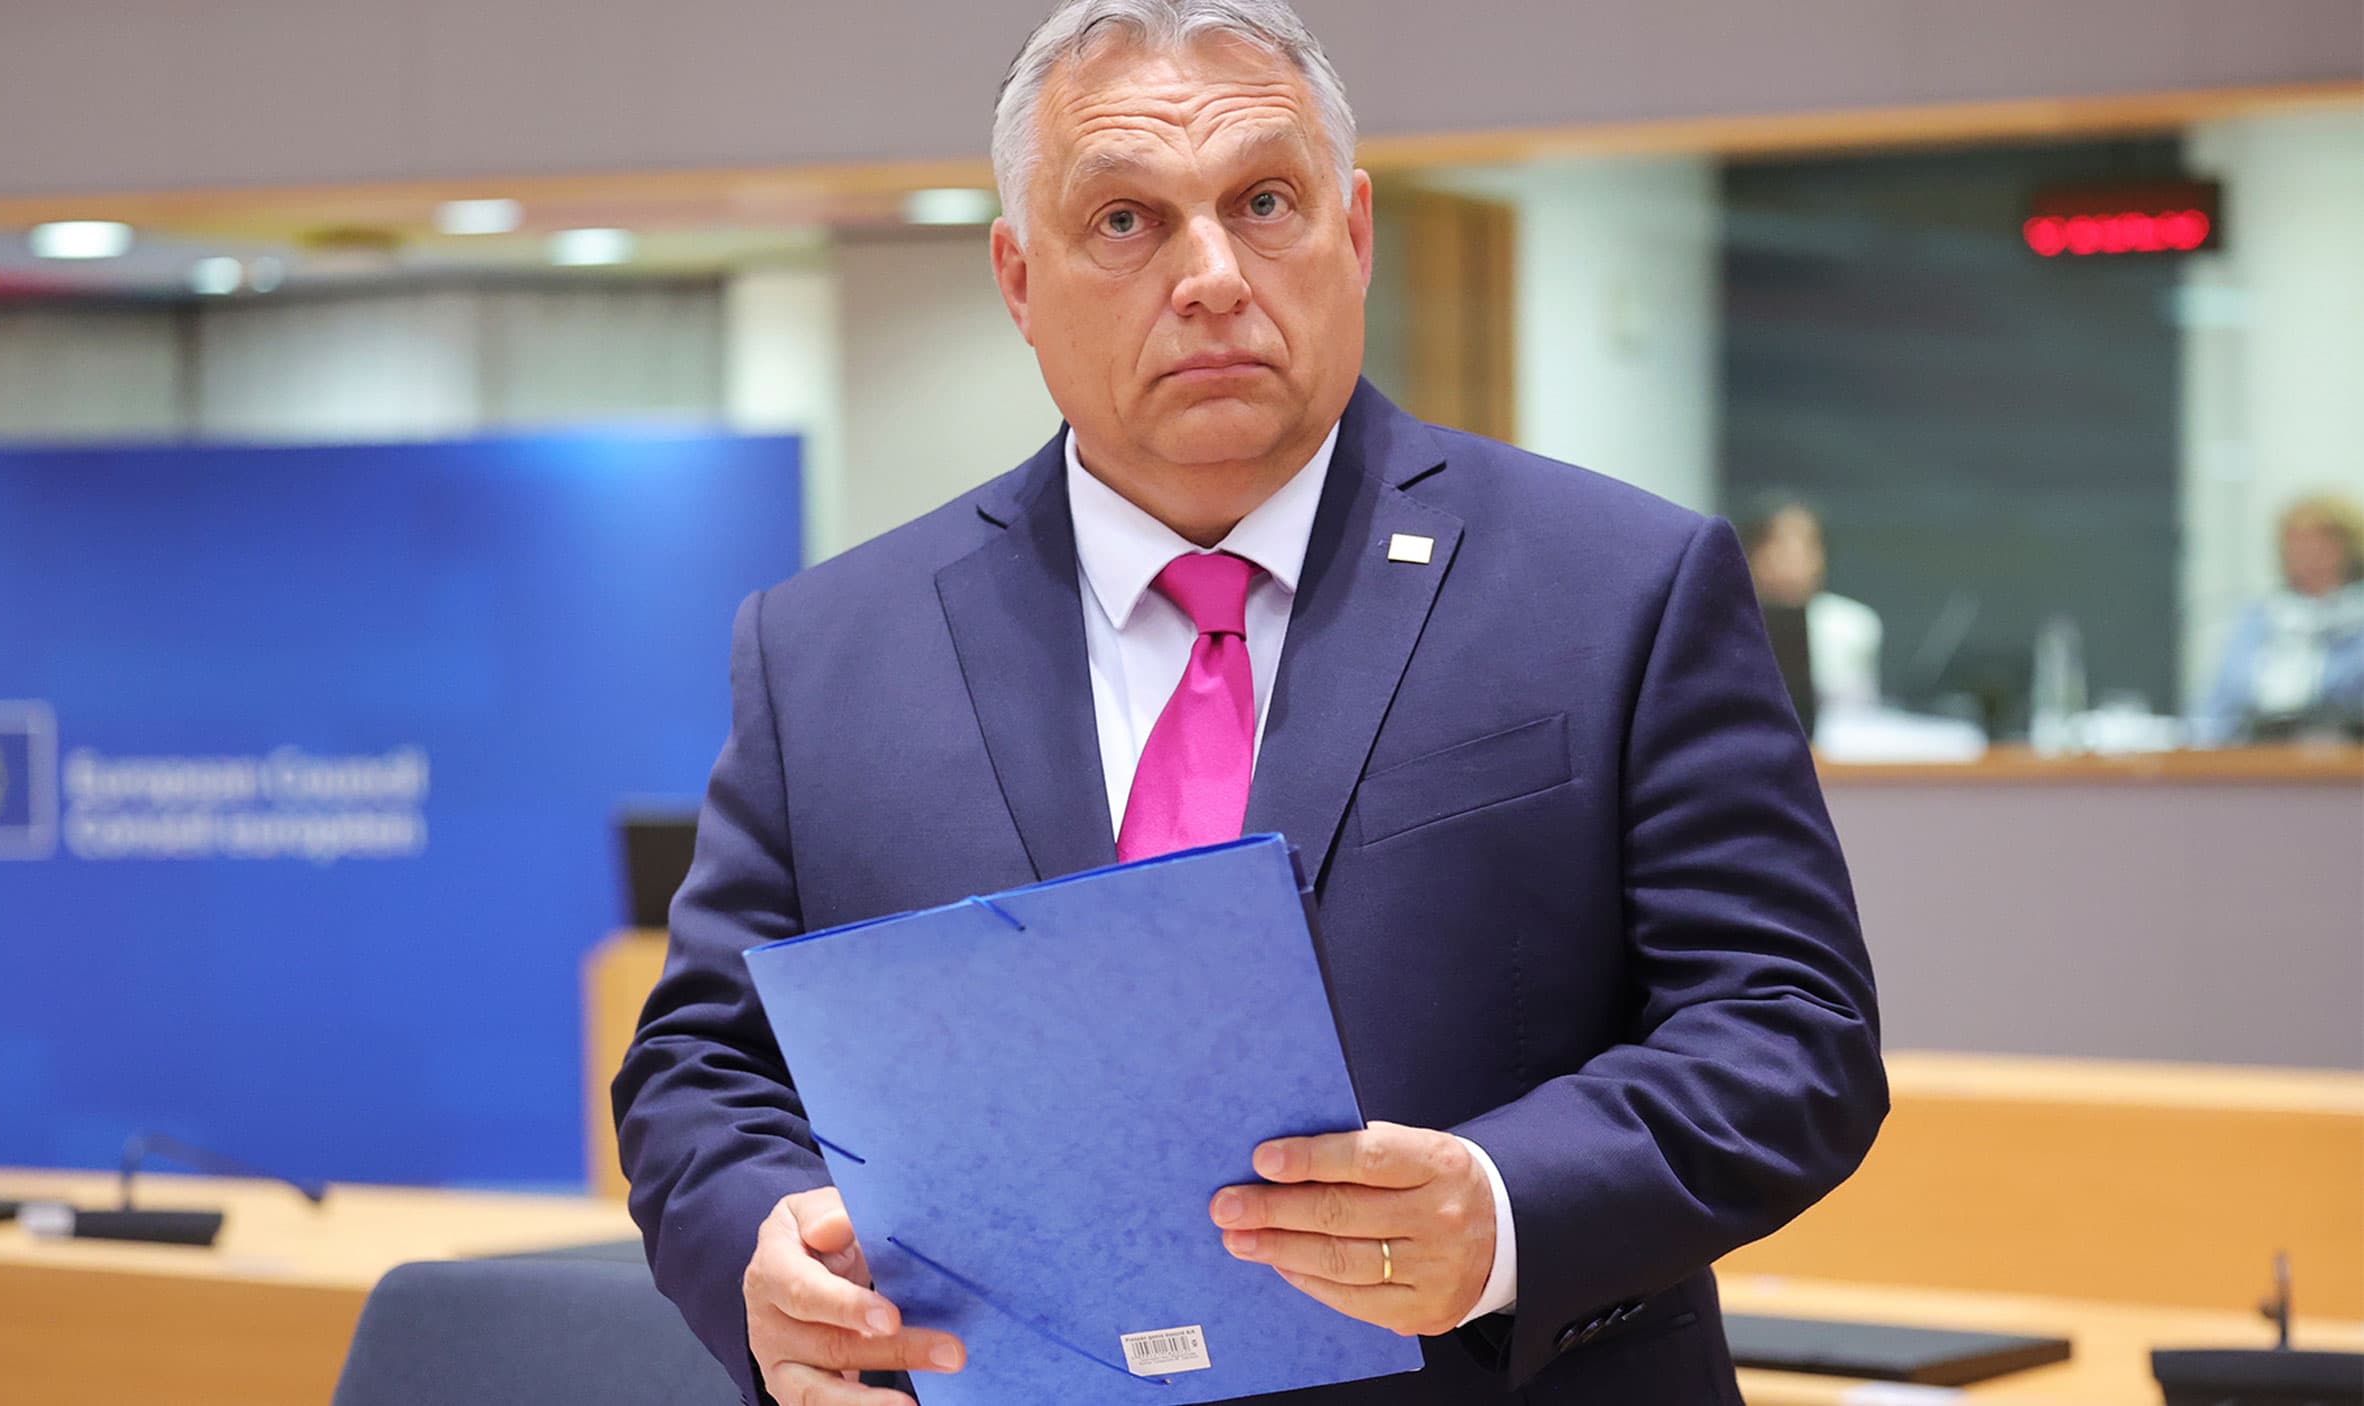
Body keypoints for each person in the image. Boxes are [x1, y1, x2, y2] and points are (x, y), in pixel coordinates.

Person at [612, 3, 1886, 1402]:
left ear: (1352, 232)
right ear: (1019, 278)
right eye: (1125, 221)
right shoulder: (829, 652)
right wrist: (759, 1246)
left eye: (1263, 201)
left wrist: (1506, 1205)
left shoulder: (1619, 587)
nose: (1212, 274)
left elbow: (1787, 1026)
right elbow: (703, 1066)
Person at [2200, 491, 2364, 743]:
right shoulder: (2258, 621)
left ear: (2349, 549)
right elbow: (2214, 708)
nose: (2308, 555)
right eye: (2297, 544)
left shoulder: (2356, 621)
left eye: (2321, 543)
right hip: (2254, 758)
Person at [1736, 493, 1884, 734]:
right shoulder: (1726, 624)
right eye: (1777, 546)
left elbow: (1862, 715)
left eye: (1805, 547)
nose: (1791, 560)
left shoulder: (1853, 626)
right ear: (1750, 553)